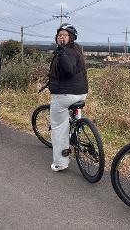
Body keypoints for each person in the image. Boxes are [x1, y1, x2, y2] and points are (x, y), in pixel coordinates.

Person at [47, 23, 88, 172]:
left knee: (58, 127)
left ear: (70, 38)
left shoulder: (64, 51)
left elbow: (69, 70)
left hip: (65, 95)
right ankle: (76, 132)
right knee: (71, 117)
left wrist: (61, 52)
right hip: (81, 92)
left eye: (64, 35)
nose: (61, 37)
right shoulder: (77, 49)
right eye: (59, 35)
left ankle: (60, 162)